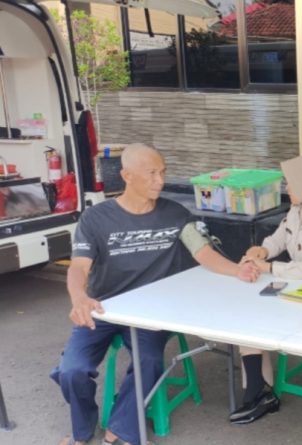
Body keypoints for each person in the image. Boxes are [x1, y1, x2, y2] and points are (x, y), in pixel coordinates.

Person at [52, 144, 260, 445]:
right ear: (126, 175)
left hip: (153, 313)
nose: (159, 180)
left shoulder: (175, 214)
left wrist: (236, 270)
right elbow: (79, 267)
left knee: (149, 361)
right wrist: (79, 298)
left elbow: (203, 252)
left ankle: (121, 429)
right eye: (151, 174)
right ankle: (82, 432)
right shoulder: (96, 219)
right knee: (72, 370)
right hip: (104, 307)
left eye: (162, 172)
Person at [229, 155, 302, 425]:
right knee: (249, 313)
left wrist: (268, 267)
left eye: (291, 183)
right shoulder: (299, 209)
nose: (287, 188)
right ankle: (259, 392)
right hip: (296, 284)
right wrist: (263, 250)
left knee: (258, 315)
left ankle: (259, 394)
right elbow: (281, 237)